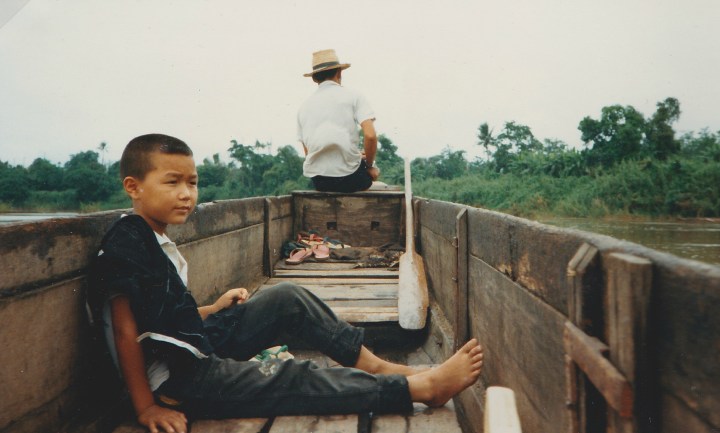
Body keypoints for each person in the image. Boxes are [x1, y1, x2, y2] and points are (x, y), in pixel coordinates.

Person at [88, 133, 483, 433]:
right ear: (133, 187)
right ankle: (418, 390)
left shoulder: (150, 236)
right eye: (172, 182)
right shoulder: (128, 244)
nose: (186, 194)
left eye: (192, 183)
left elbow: (161, 318)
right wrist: (145, 408)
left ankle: (378, 367)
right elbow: (126, 332)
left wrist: (213, 309)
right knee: (292, 377)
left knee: (286, 299)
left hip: (194, 348)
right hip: (179, 382)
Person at [297, 49, 381, 192]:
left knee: (357, 159)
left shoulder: (303, 107)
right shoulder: (354, 96)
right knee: (374, 172)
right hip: (350, 178)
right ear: (339, 73)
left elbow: (308, 151)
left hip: (320, 182)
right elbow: (371, 136)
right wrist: (369, 165)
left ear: (314, 78)